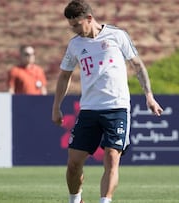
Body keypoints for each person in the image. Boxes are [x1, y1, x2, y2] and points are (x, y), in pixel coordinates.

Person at [51, 1, 163, 203]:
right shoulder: (75, 45)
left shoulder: (117, 35)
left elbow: (137, 66)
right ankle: (75, 200)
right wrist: (56, 107)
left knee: (112, 158)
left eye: (77, 24)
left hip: (117, 108)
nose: (74, 29)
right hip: (89, 110)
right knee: (74, 164)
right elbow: (64, 76)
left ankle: (105, 201)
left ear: (89, 19)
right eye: (71, 26)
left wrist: (149, 95)